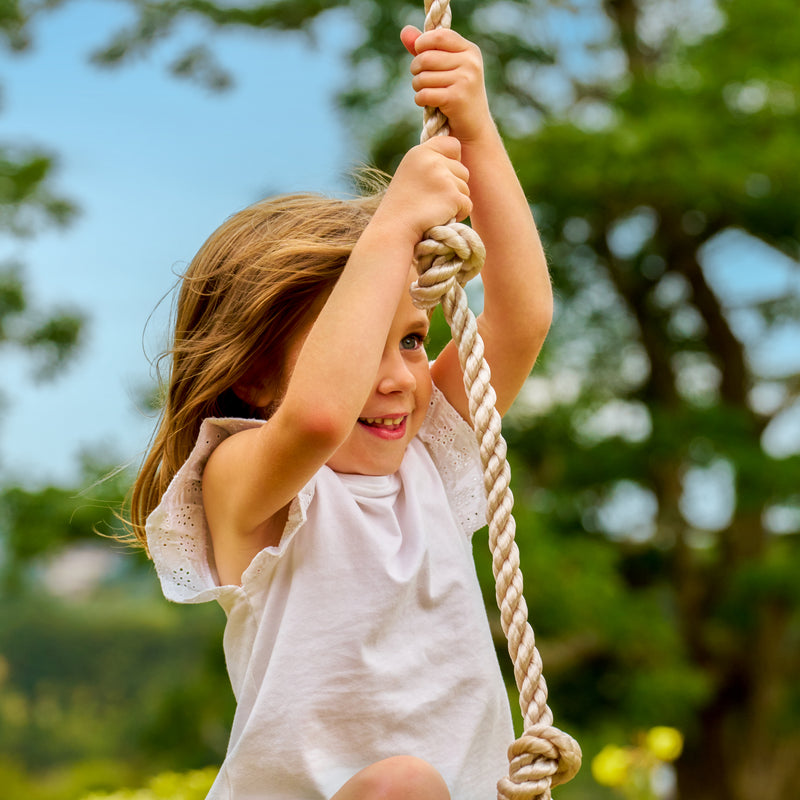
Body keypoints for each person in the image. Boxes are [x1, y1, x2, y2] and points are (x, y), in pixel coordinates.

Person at [130, 23, 553, 800]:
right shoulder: (245, 482)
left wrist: (477, 130)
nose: (397, 380)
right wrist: (394, 223)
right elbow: (317, 419)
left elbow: (521, 320)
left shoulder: (426, 459)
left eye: (413, 341)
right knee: (403, 784)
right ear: (254, 378)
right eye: (361, 348)